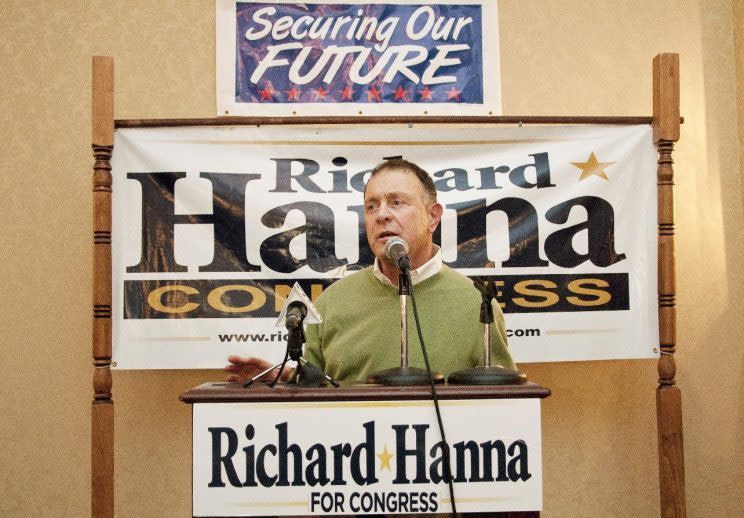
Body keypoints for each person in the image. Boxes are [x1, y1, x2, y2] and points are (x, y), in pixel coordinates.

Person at [225, 159, 516, 385]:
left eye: (397, 202)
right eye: (371, 206)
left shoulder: (476, 302)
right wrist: (285, 379)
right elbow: (314, 390)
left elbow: (504, 401)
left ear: (433, 216)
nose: (382, 214)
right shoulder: (333, 301)